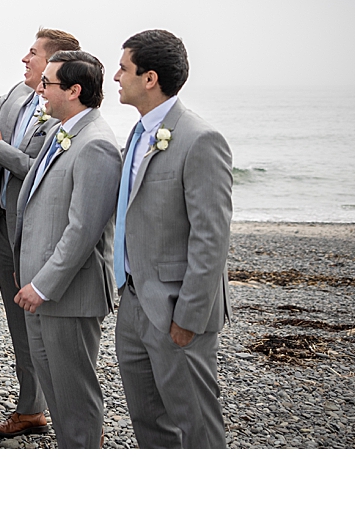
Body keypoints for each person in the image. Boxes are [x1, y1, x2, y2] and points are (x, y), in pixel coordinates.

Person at [112, 29, 233, 449]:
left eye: (123, 68)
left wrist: (189, 319)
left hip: (176, 311)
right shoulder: (137, 133)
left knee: (196, 424)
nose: (115, 77)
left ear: (149, 78)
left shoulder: (200, 139)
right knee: (148, 421)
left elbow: (211, 238)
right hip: (132, 301)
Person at [0, 29, 80, 438]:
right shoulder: (20, 93)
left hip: (37, 235)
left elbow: (36, 168)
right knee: (19, 327)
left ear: (55, 63)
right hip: (5, 225)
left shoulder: (64, 117)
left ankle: (74, 419)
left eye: (33, 54)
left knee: (46, 331)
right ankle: (30, 407)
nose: (25, 58)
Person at [13, 50, 121, 448]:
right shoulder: (63, 132)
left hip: (68, 294)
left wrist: (42, 285)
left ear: (74, 90)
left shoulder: (95, 144)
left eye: (48, 83)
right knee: (55, 390)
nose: (40, 88)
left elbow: (82, 231)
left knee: (75, 394)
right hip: (40, 287)